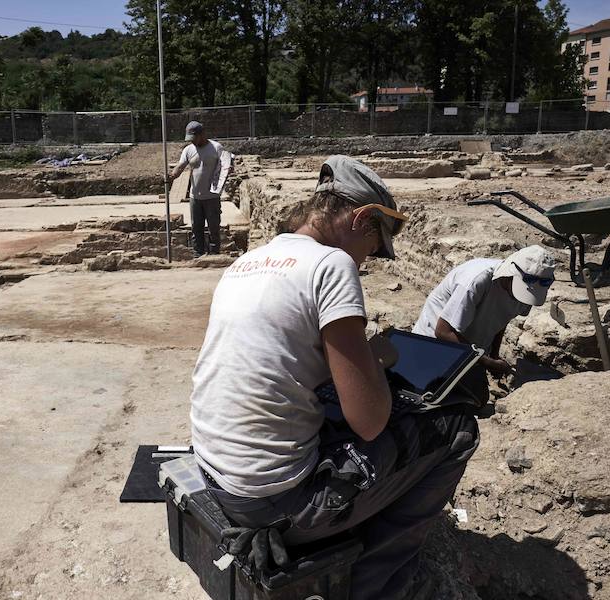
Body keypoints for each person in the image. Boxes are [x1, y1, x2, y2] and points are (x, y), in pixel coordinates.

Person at [190, 155, 480, 599]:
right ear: (363, 218)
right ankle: (374, 585)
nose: (368, 261)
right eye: (375, 246)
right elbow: (369, 421)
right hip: (277, 501)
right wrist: (374, 361)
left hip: (217, 476)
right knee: (457, 428)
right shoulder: (331, 265)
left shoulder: (249, 262)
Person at [412, 246, 558, 377]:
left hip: (469, 349)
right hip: (432, 344)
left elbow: (502, 319)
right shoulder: (475, 282)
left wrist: (494, 355)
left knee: (476, 397)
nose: (519, 299)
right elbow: (443, 332)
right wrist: (487, 362)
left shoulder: (531, 289)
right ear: (511, 274)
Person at [170, 121, 225, 256]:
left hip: (212, 196)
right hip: (195, 197)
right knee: (196, 228)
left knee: (213, 227)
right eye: (190, 139)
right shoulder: (188, 150)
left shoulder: (216, 148)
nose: (192, 142)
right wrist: (172, 175)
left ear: (202, 134)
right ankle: (198, 254)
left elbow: (225, 167)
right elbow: (180, 166)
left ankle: (214, 254)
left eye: (194, 138)